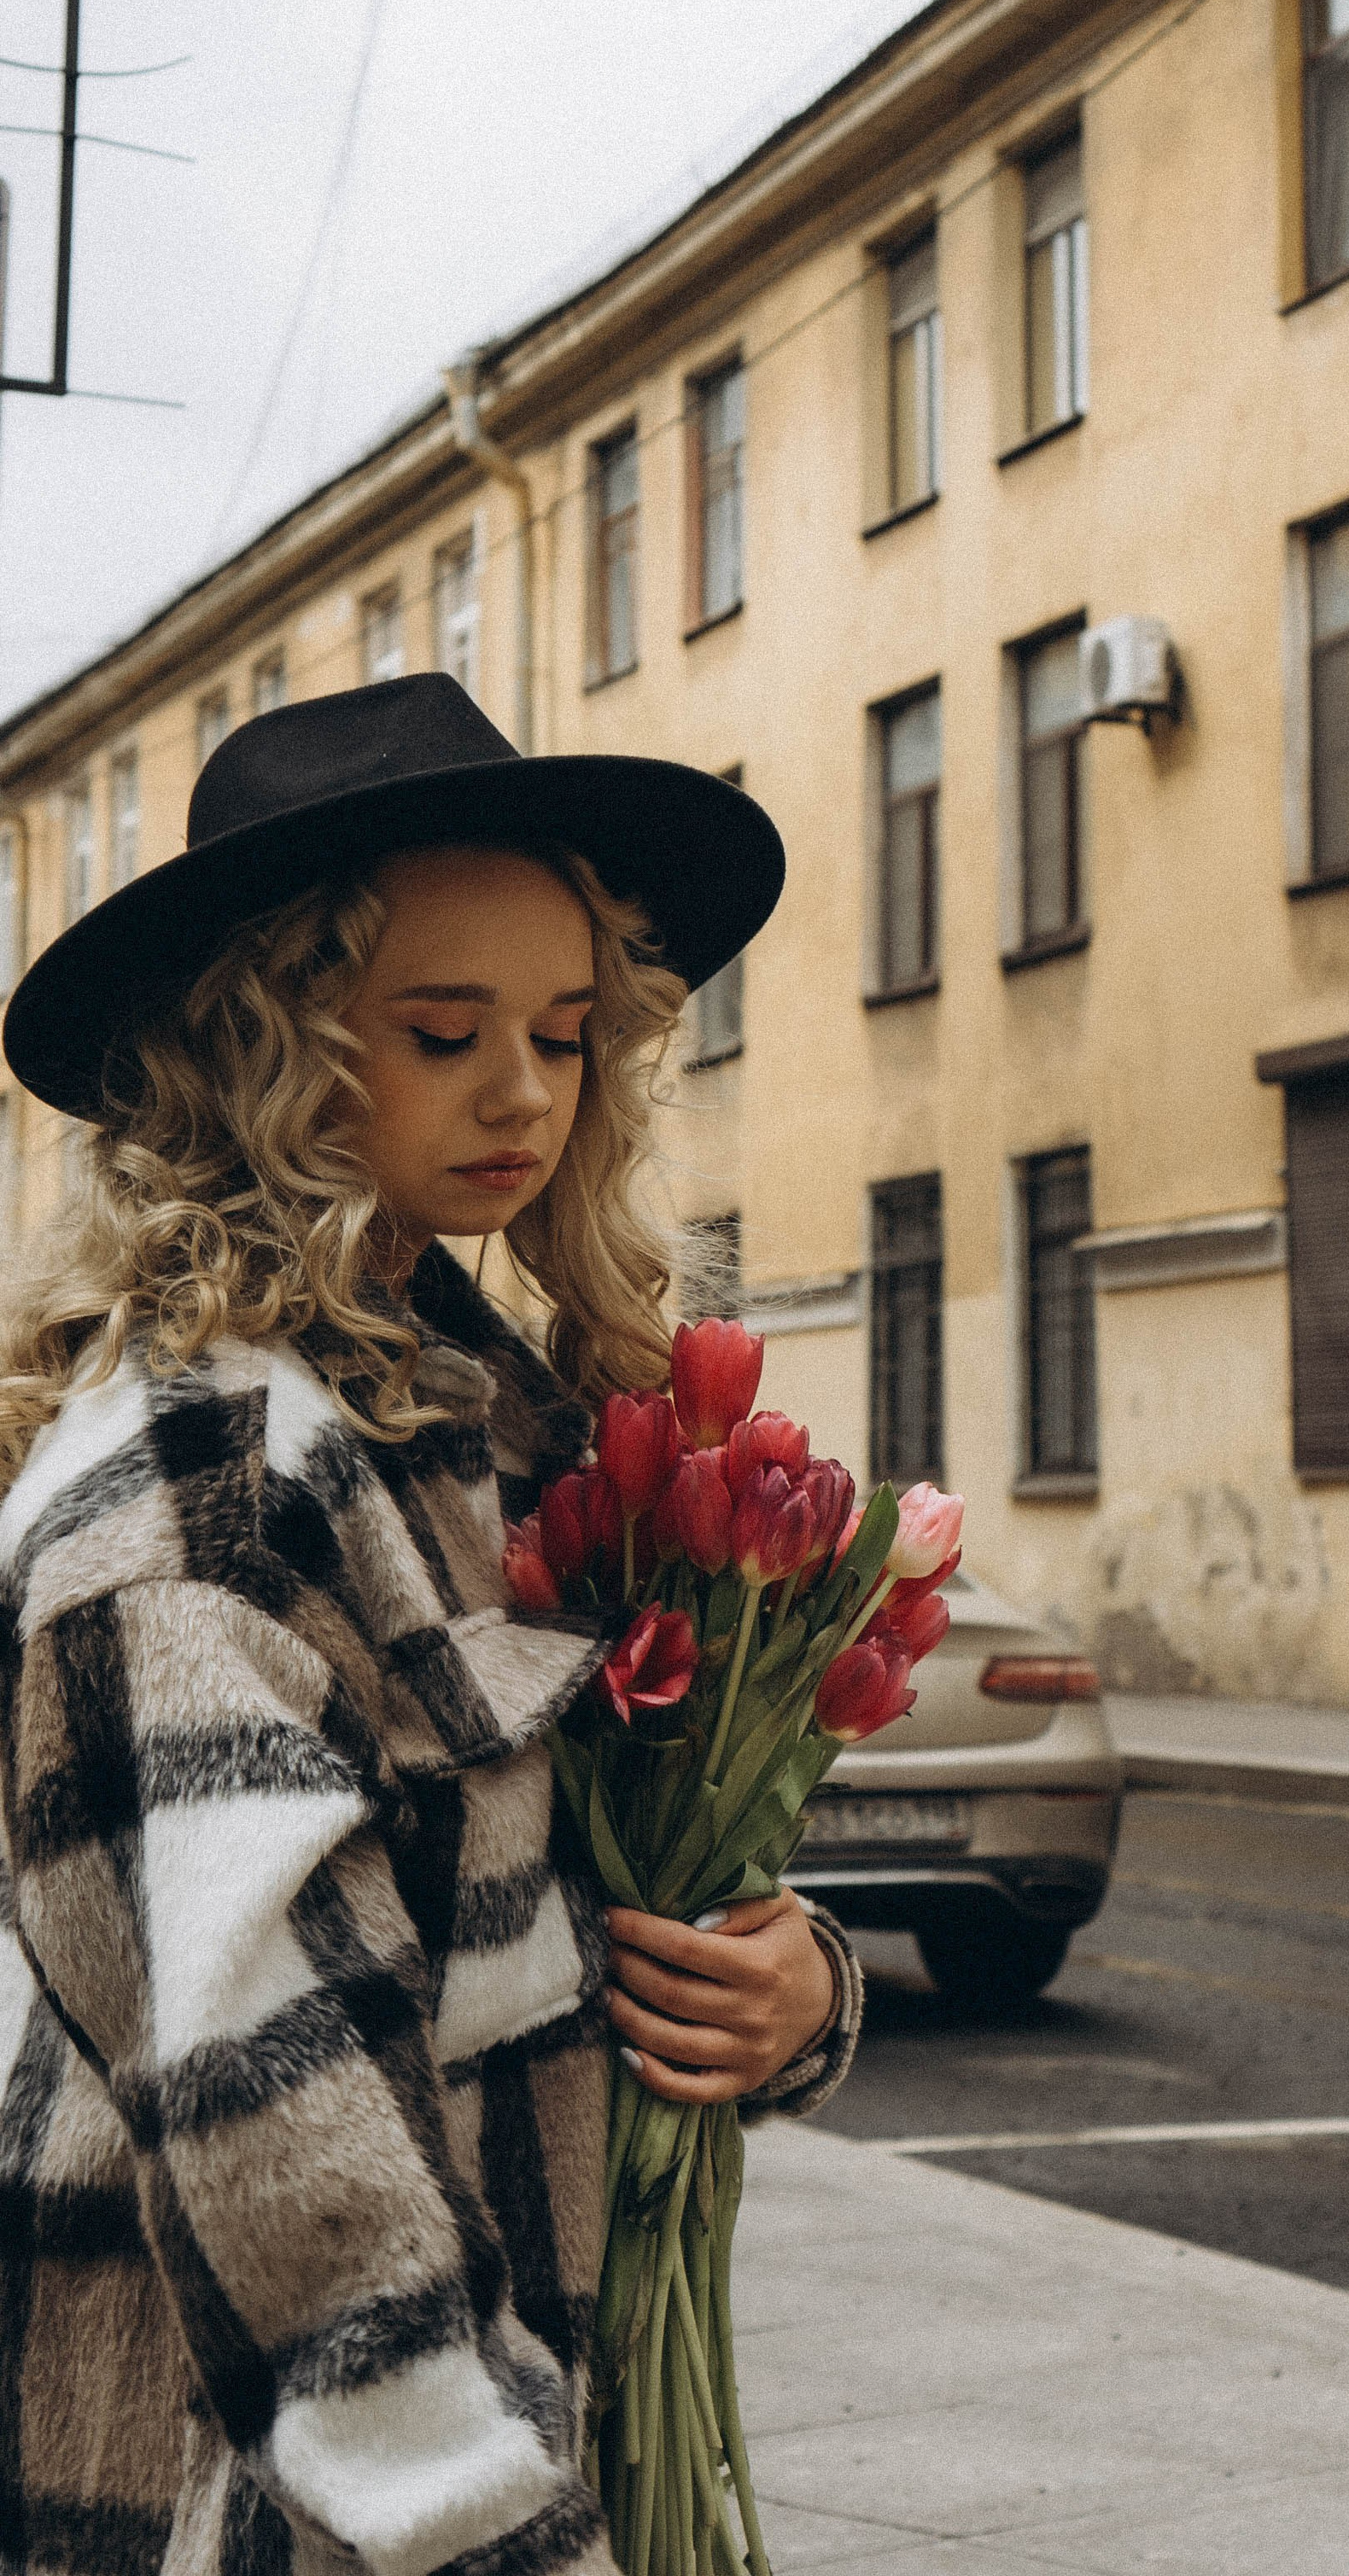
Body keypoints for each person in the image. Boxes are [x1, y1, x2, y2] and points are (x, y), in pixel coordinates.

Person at [0, 674, 861, 2576]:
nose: (526, 1091)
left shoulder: (489, 1429)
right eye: (443, 1029)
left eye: (564, 1033)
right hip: (277, 2507)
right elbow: (283, 2143)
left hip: (506, 2430)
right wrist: (507, 2538)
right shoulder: (191, 1509)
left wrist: (790, 1995)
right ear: (255, 1051)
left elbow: (553, 1912)